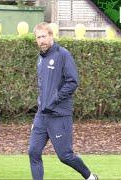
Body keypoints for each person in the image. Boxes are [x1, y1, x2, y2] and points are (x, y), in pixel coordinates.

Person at [28, 22, 98, 180]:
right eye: (38, 37)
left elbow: (73, 82)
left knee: (65, 156)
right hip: (42, 116)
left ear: (51, 36)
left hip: (59, 115)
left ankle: (90, 177)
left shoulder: (63, 54)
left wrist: (54, 100)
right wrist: (40, 107)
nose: (41, 40)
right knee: (33, 151)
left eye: (44, 36)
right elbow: (43, 86)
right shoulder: (40, 59)